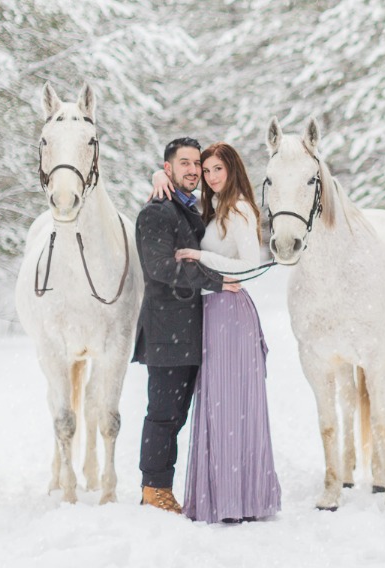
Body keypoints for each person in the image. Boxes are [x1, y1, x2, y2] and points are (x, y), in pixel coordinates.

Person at [151, 142, 282, 523]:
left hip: (230, 311)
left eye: (216, 170)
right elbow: (177, 190)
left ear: (232, 170)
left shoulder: (238, 207)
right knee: (218, 406)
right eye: (205, 171)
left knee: (231, 406)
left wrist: (199, 256)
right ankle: (224, 495)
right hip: (212, 310)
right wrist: (159, 176)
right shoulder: (214, 209)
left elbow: (247, 264)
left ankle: (238, 499)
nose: (209, 176)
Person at [134, 137, 242, 513]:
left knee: (177, 415)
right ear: (168, 168)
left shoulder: (190, 210)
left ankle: (162, 483)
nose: (194, 170)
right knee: (163, 414)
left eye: (197, 163)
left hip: (192, 331)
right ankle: (154, 487)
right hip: (167, 331)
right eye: (184, 163)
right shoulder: (157, 213)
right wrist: (214, 280)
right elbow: (160, 267)